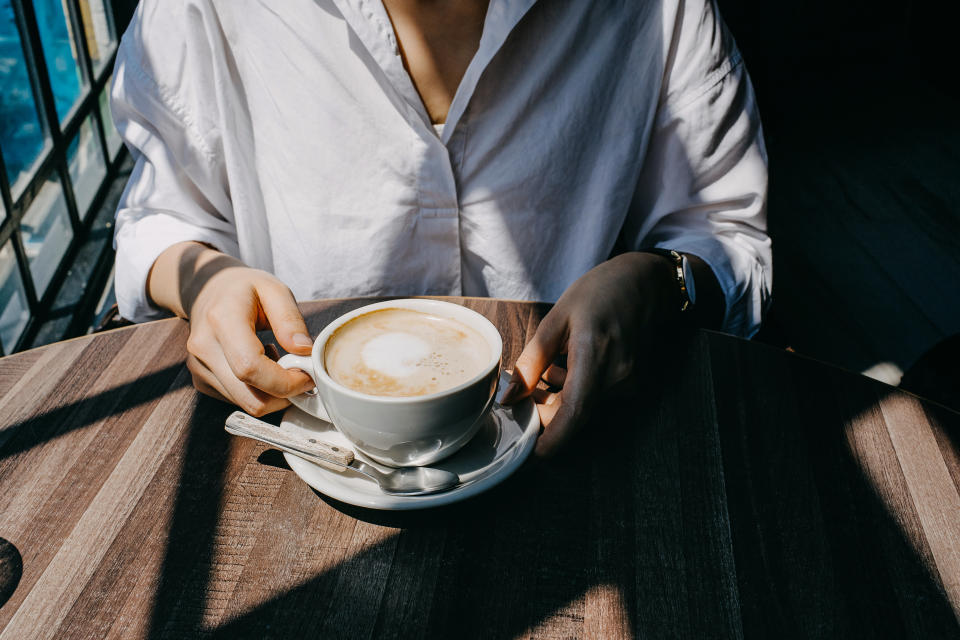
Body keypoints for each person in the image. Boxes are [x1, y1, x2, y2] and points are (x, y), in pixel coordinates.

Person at [111, 0, 771, 456]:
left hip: (582, 451)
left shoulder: (656, 12)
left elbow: (726, 230)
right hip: (303, 468)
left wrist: (661, 283)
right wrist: (205, 284)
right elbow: (162, 215)